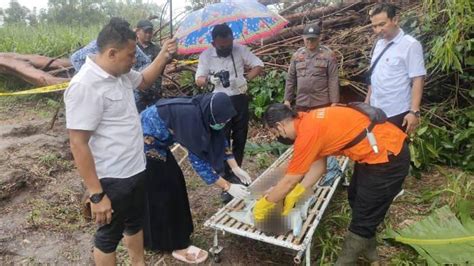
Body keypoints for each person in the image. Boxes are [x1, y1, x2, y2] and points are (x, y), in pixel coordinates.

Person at [64, 17, 176, 265]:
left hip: (136, 168)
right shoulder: (85, 86)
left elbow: (145, 80)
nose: (134, 59)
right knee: (108, 237)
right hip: (112, 177)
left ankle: (139, 263)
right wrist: (96, 195)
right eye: (130, 55)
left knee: (135, 223)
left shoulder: (121, 73)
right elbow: (78, 143)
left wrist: (164, 55)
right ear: (112, 53)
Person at [254, 103, 410, 265]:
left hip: (388, 157)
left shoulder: (308, 132)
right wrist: (296, 192)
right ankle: (370, 252)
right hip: (372, 156)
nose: (278, 137)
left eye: (275, 132)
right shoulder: (307, 120)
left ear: (280, 125)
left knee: (364, 216)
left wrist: (264, 204)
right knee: (356, 198)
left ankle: (345, 260)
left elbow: (289, 181)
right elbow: (319, 168)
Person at [140, 92, 251, 263]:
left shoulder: (206, 113)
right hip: (145, 143)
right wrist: (228, 186)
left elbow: (221, 139)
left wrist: (235, 168)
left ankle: (177, 235)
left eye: (225, 122)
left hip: (161, 142)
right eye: (221, 121)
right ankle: (165, 242)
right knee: (163, 190)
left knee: (174, 183)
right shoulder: (191, 122)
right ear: (212, 115)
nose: (223, 124)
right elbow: (199, 163)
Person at [195, 23, 264, 202]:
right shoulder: (206, 55)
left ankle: (237, 172)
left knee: (240, 137)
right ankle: (225, 179)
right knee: (221, 139)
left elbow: (258, 64)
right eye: (222, 46)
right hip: (218, 102)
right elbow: (198, 80)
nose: (226, 47)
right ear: (214, 43)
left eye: (229, 43)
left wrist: (246, 79)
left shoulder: (240, 50)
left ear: (233, 39)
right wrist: (211, 79)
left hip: (239, 98)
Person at [365, 3, 426, 134]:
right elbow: (374, 76)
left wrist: (414, 112)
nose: (378, 30)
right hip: (376, 110)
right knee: (377, 151)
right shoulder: (379, 44)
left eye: (382, 24)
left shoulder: (410, 45)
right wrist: (367, 103)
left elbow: (418, 79)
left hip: (396, 112)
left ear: (395, 20)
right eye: (374, 26)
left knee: (396, 152)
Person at [284, 22, 339, 112]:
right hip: (302, 102)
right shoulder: (297, 56)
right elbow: (290, 79)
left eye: (313, 39)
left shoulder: (328, 55)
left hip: (321, 102)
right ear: (303, 38)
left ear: (319, 38)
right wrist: (287, 100)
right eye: (307, 39)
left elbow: (333, 79)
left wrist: (334, 101)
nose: (310, 42)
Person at [134, 19, 163, 112]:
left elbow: (160, 68)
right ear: (138, 32)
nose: (148, 34)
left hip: (154, 92)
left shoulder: (157, 49)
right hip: (136, 92)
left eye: (150, 32)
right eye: (146, 32)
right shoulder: (132, 47)